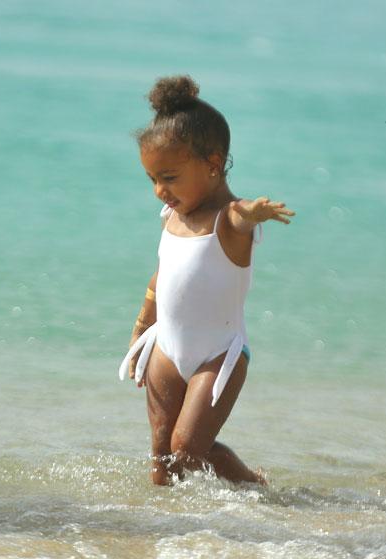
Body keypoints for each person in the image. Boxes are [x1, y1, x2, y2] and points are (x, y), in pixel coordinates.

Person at [119, 75, 295, 486]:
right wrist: (143, 327)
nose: (159, 191)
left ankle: (252, 483)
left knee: (188, 449)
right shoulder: (174, 217)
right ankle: (155, 528)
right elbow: (162, 277)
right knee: (162, 456)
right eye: (152, 180)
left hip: (218, 355)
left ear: (213, 165)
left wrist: (251, 212)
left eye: (170, 177)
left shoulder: (227, 222)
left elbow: (238, 215)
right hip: (166, 346)